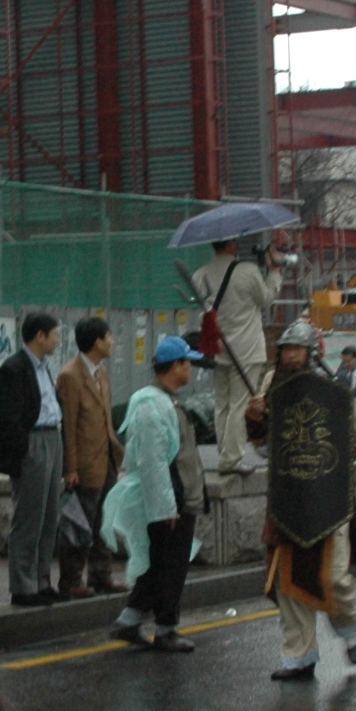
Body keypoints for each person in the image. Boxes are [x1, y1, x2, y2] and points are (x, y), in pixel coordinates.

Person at [247, 319, 356, 679]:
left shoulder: (334, 391)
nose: (291, 355)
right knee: (288, 581)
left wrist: (336, 441)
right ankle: (299, 655)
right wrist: (256, 417)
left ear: (311, 353)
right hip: (288, 497)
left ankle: (350, 627)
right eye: (286, 349)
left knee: (333, 577)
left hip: (327, 500)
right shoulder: (269, 388)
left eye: (297, 348)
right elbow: (260, 446)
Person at [101, 334, 206, 652]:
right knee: (170, 567)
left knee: (158, 565)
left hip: (177, 499)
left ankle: (129, 621)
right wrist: (166, 507)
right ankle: (166, 629)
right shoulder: (152, 404)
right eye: (188, 363)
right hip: (170, 502)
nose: (191, 369)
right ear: (175, 366)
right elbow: (152, 462)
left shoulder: (166, 400)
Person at [0, 311, 68, 607]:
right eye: (54, 334)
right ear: (40, 336)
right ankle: (22, 586)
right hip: (32, 442)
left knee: (49, 516)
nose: (58, 340)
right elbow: (7, 418)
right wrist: (24, 449)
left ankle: (42, 580)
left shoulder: (45, 368)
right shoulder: (13, 368)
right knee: (29, 517)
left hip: (52, 438)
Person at [191, 235, 275, 474]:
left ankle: (224, 453)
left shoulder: (200, 275)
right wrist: (275, 273)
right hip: (246, 348)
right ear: (230, 245)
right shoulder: (247, 271)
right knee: (240, 404)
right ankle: (231, 460)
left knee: (222, 405)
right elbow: (266, 298)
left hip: (218, 346)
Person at [56, 317, 123, 601]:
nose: (112, 341)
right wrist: (70, 467)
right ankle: (71, 580)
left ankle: (101, 575)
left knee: (104, 522)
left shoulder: (102, 374)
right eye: (109, 336)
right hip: (84, 465)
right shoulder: (70, 376)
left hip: (106, 459)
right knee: (80, 524)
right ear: (97, 341)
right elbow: (69, 426)